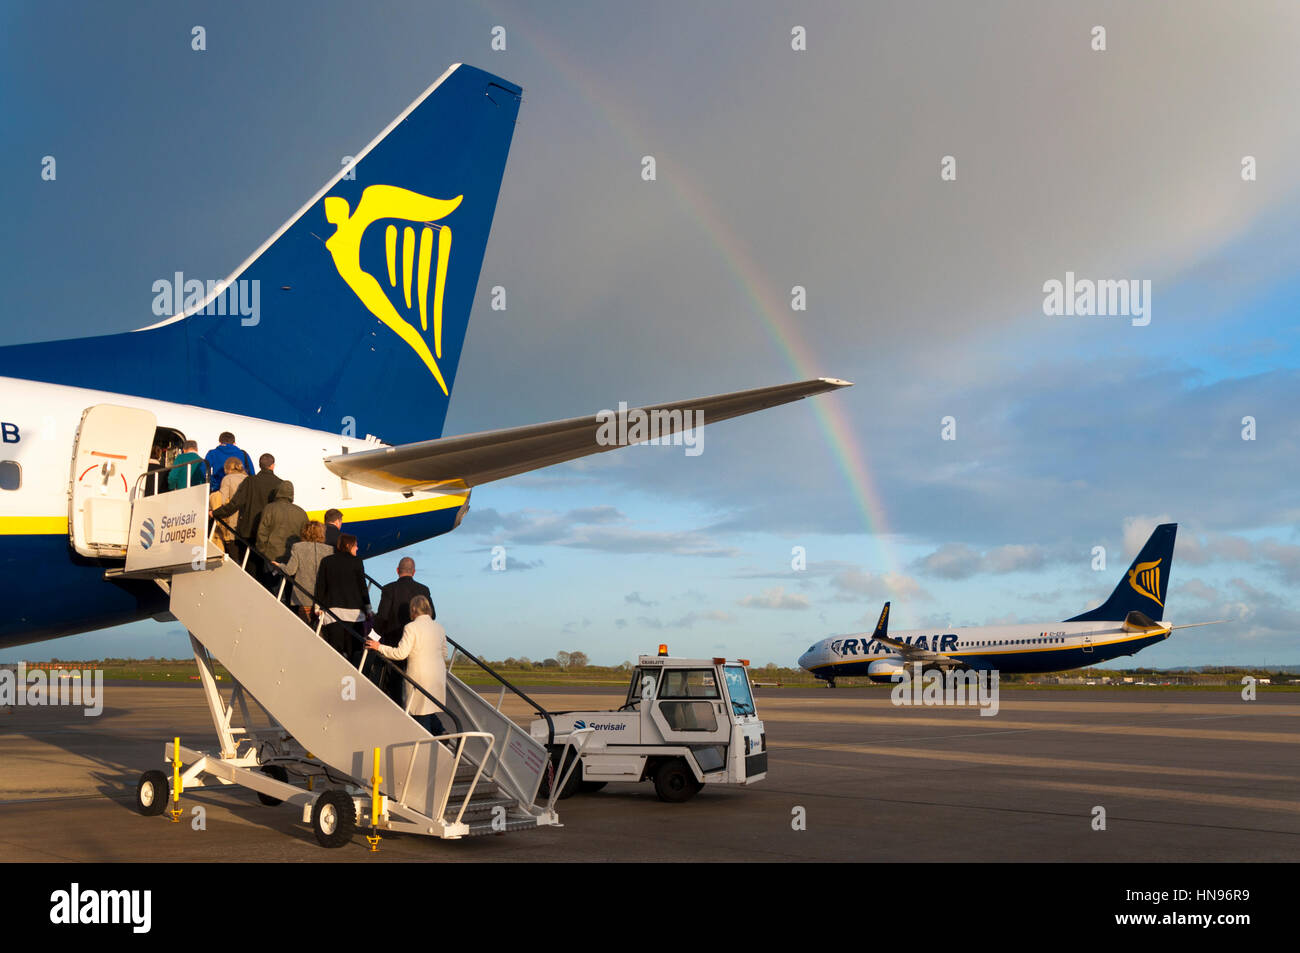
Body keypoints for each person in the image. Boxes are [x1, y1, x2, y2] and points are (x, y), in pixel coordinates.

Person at [365, 595, 447, 735]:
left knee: (419, 713)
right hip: (437, 674)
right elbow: (444, 653)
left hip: (420, 675)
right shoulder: (439, 628)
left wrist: (379, 647)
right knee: (428, 707)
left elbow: (400, 653)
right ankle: (441, 732)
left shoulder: (411, 627)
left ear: (413, 609)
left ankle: (427, 745)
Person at [374, 557, 433, 703]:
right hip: (419, 644)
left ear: (397, 570)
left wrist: (374, 637)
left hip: (393, 641)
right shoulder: (423, 590)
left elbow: (382, 617)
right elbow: (433, 615)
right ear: (413, 572)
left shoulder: (388, 589)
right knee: (417, 684)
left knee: (394, 682)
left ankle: (396, 709)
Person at [314, 533, 371, 662]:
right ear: (348, 545)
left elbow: (321, 586)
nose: (357, 548)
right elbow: (363, 588)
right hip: (355, 615)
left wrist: (317, 607)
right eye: (355, 545)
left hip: (333, 614)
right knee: (352, 655)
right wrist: (368, 609)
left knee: (334, 653)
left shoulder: (327, 561)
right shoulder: (357, 562)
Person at [212, 452, 282, 547]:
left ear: (259, 465)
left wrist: (216, 513)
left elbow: (235, 504)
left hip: (251, 531)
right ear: (273, 466)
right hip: (271, 531)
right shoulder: (280, 484)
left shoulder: (250, 481)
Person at [276, 521, 333, 624]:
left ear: (305, 532)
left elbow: (290, 570)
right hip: (323, 598)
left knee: (304, 626)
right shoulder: (330, 550)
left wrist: (279, 566)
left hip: (303, 596)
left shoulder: (298, 547)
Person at [256, 481, 308, 565]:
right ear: (292, 494)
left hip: (272, 556)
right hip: (293, 558)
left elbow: (261, 534)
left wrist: (262, 552)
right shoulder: (301, 512)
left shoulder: (269, 508)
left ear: (278, 492)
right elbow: (306, 537)